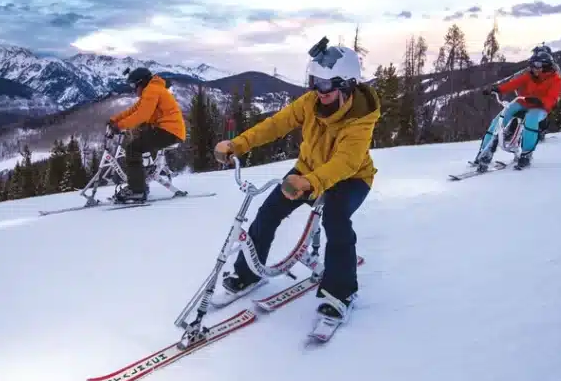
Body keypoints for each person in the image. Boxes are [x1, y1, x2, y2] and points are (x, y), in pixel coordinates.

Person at [212, 37, 381, 323]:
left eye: (325, 85)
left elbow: (346, 161)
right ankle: (247, 273)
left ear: (346, 84)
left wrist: (311, 183)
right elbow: (277, 124)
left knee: (336, 220)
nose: (318, 90)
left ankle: (340, 292)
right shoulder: (312, 103)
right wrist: (237, 145)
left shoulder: (360, 118)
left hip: (351, 179)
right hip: (308, 171)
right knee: (268, 211)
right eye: (314, 81)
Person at [475, 45, 561, 170]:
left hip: (540, 107)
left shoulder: (555, 80)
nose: (534, 69)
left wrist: (540, 101)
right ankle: (485, 151)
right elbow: (514, 84)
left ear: (546, 66)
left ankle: (526, 154)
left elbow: (553, 98)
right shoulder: (530, 75)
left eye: (537, 66)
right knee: (502, 116)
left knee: (531, 119)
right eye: (532, 66)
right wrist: (497, 89)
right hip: (524, 102)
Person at [107, 67, 186, 202]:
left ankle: (137, 190)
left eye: (134, 85)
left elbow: (142, 115)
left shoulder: (152, 90)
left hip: (169, 131)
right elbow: (134, 110)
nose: (133, 89)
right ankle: (140, 185)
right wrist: (115, 120)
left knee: (133, 148)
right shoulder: (152, 89)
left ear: (141, 82)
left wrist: (119, 126)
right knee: (138, 143)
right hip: (168, 130)